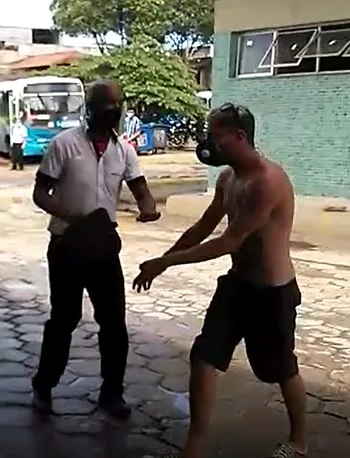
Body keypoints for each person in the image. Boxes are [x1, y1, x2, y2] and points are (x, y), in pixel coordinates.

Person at [134, 104, 307, 458]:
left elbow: (229, 241)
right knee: (204, 356)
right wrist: (163, 262)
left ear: (239, 137)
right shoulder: (228, 178)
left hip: (272, 293)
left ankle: (299, 442)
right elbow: (204, 226)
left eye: (216, 135)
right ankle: (193, 450)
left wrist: (165, 262)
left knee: (280, 369)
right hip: (236, 286)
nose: (208, 141)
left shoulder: (267, 182)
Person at [30, 80, 160, 420]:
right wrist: (71, 215)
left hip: (103, 249)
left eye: (116, 106)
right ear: (89, 109)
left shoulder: (124, 152)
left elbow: (141, 189)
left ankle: (111, 393)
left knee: (114, 323)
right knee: (64, 319)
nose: (111, 112)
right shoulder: (64, 145)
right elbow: (40, 193)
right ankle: (44, 387)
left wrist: (148, 207)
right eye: (104, 105)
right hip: (66, 247)